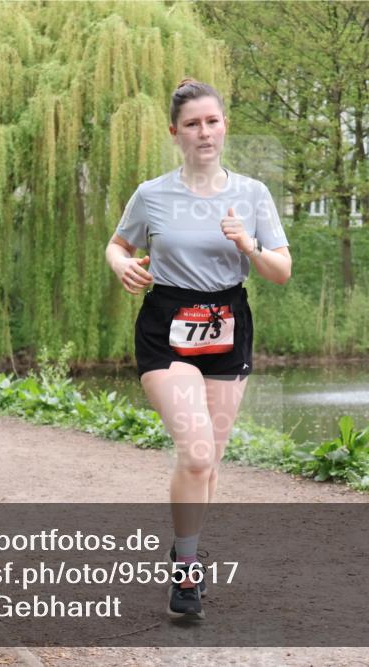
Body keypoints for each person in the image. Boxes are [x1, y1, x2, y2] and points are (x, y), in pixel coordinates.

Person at [104, 78, 292, 620]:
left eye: (212, 121)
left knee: (209, 466)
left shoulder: (253, 194)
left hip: (229, 324)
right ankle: (187, 569)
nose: (203, 132)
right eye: (192, 123)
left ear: (224, 126)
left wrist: (247, 244)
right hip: (167, 328)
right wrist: (122, 264)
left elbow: (280, 271)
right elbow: (119, 245)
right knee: (198, 452)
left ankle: (183, 546)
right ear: (175, 132)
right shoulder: (153, 193)